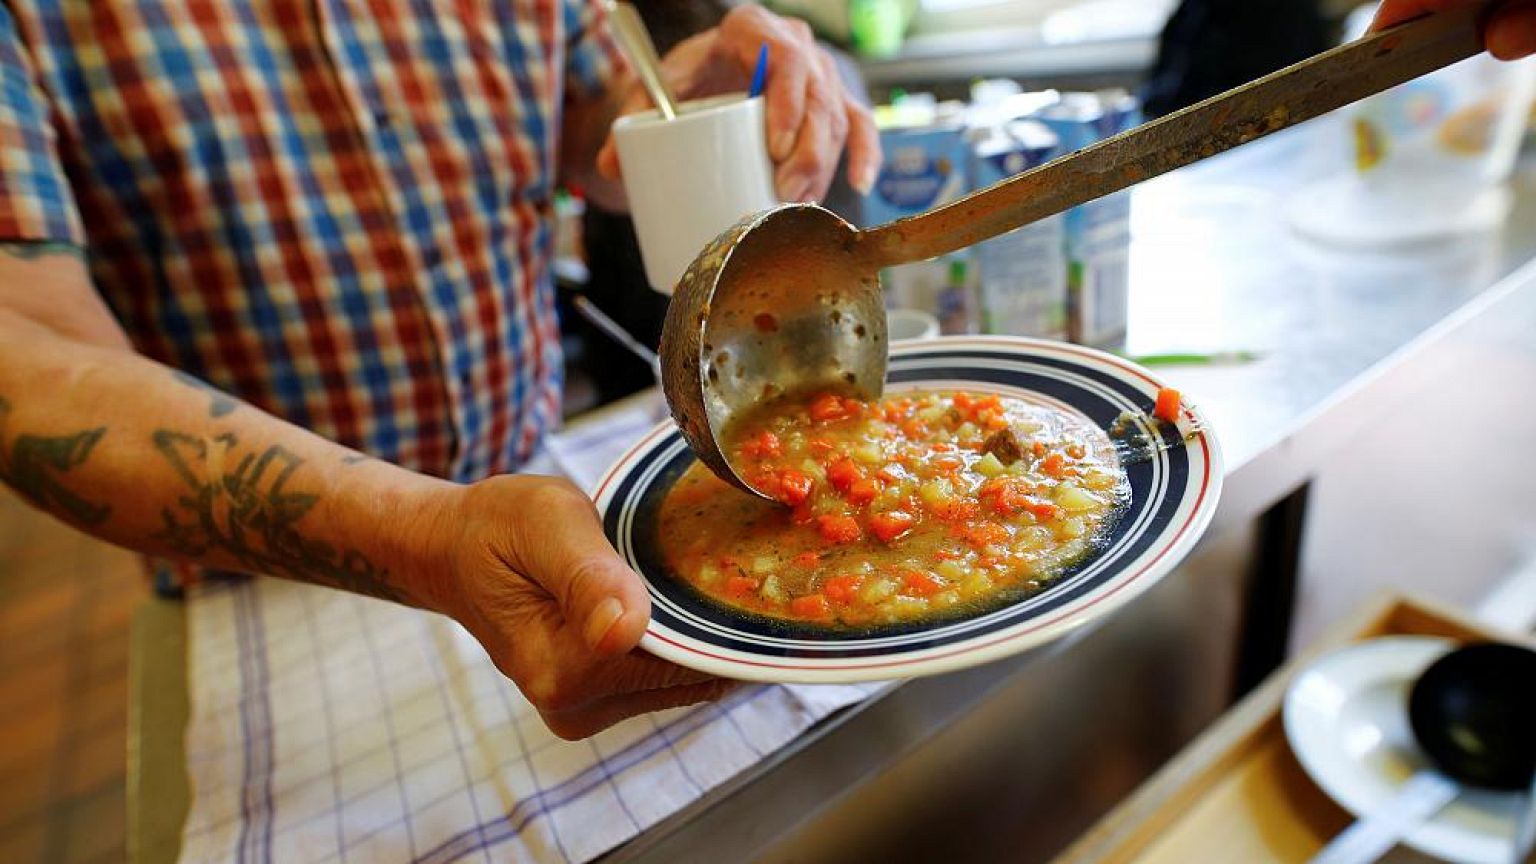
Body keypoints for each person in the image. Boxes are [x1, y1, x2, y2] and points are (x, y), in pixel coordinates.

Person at [0, 1, 878, 741]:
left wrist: (693, 111)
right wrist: (427, 535)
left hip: (547, 499)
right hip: (260, 592)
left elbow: (597, 135)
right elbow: (25, 356)